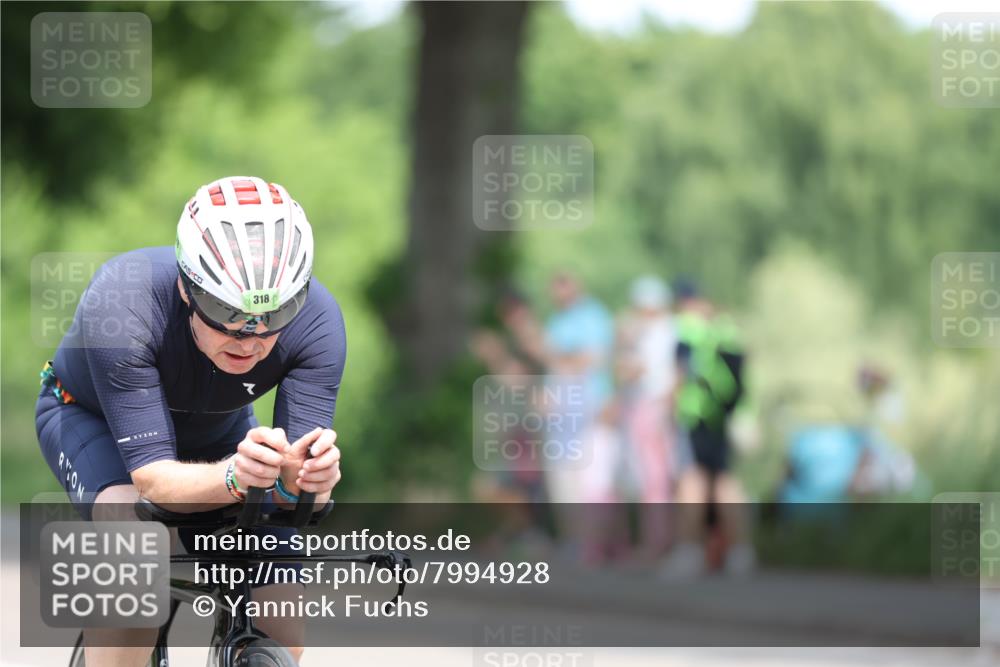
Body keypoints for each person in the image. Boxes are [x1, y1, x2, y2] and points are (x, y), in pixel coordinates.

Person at [35, 176, 347, 666]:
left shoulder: (318, 323)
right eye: (226, 311)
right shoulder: (124, 301)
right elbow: (151, 481)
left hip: (219, 431)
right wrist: (234, 477)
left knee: (283, 624)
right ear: (186, 286)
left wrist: (311, 481)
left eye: (276, 313)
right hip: (93, 424)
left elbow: (295, 495)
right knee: (133, 542)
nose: (250, 339)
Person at [660, 279, 754, 578]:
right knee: (725, 481)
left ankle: (689, 551)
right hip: (724, 416)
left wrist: (669, 412)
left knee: (692, 481)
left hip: (696, 415)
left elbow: (679, 375)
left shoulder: (686, 329)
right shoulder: (726, 330)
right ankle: (741, 553)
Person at [614, 275, 678, 563]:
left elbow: (638, 370)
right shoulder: (659, 331)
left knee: (655, 480)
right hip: (647, 407)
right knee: (651, 480)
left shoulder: (660, 332)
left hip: (653, 408)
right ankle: (656, 540)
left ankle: (659, 543)